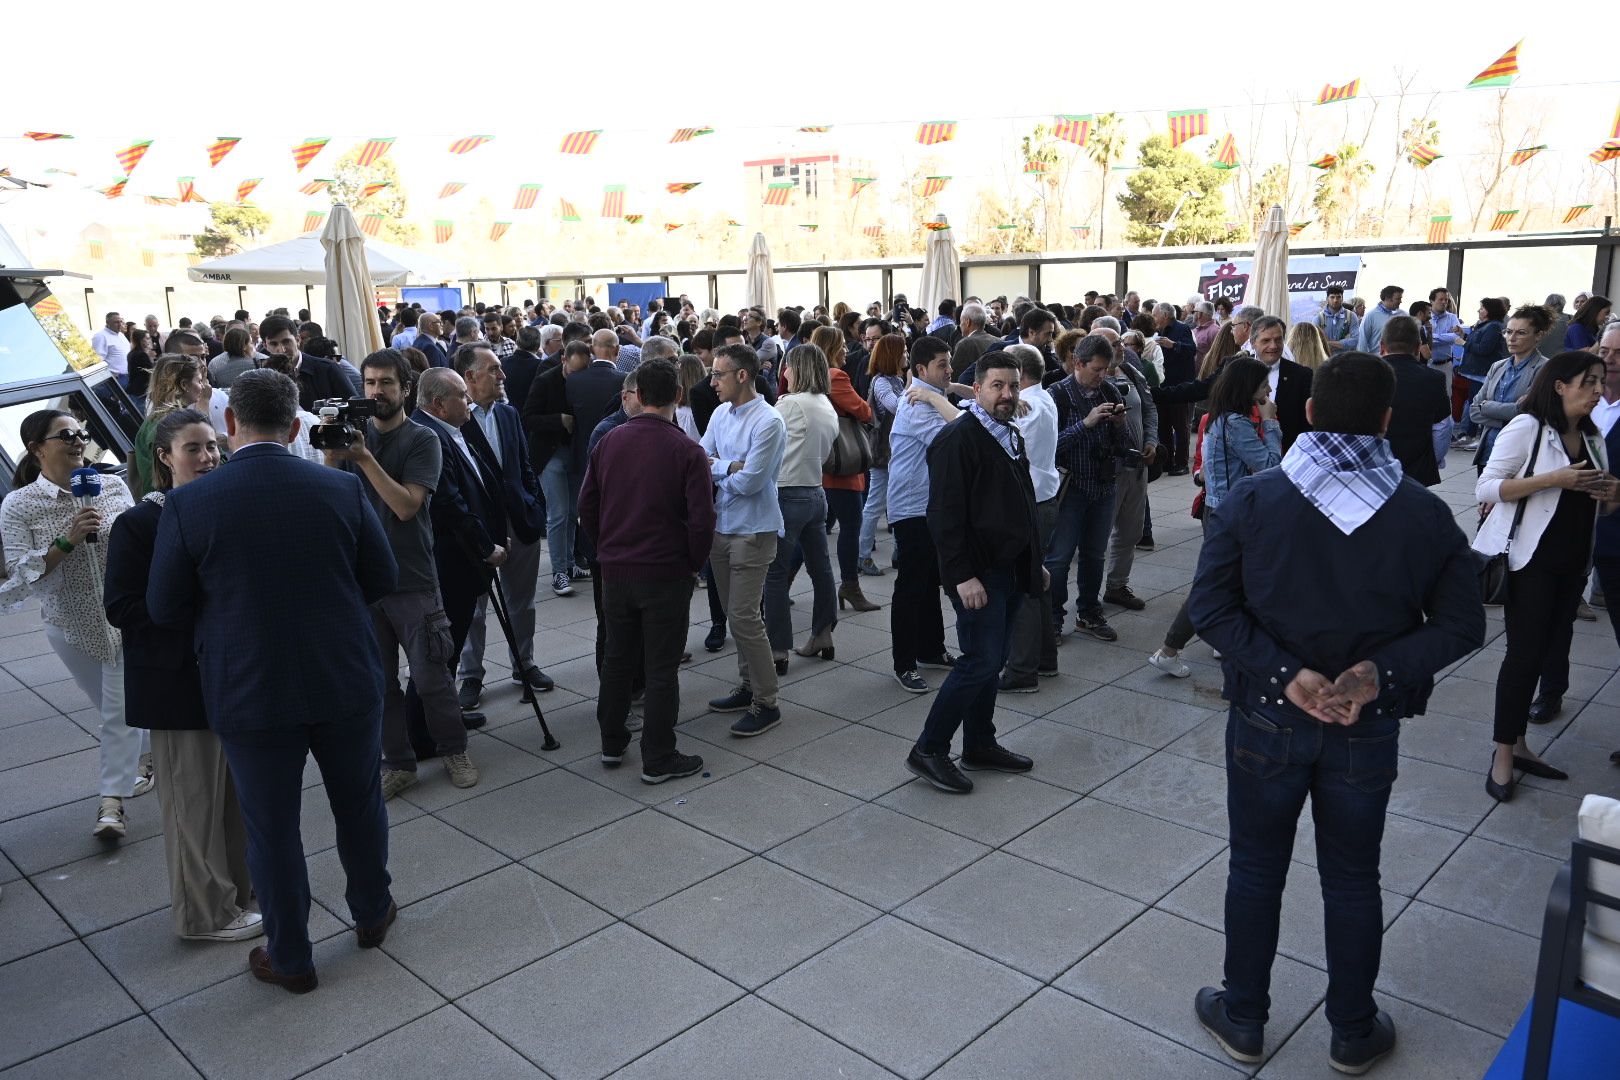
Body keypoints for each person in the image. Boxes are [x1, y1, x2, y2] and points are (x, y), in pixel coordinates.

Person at [1187, 351, 1483, 1075]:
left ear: (1309, 413)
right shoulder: (1423, 511)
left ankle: (1244, 1017)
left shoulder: (1255, 500)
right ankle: (1352, 1028)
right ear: (1387, 421)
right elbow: (1461, 626)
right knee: (1353, 876)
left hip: (1266, 716)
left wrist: (1286, 675)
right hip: (1365, 724)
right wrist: (1375, 673)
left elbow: (1210, 609)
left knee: (1256, 869)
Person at [147, 369, 398, 994]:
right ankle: (372, 912)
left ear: (230, 425)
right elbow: (382, 578)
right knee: (359, 805)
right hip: (341, 676)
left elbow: (163, 607)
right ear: (294, 427)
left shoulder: (188, 503)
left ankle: (291, 956)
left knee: (272, 828)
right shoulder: (340, 487)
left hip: (249, 688)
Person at [104, 409, 259, 941]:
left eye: (212, 447)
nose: (207, 457)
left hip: (231, 675)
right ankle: (204, 916)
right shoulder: (139, 523)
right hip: (176, 684)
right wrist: (191, 605)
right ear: (164, 458)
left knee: (235, 802)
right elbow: (122, 607)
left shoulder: (225, 508)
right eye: (193, 448)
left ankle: (241, 893)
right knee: (193, 808)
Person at [320, 349, 480, 798]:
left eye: (386, 383)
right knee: (379, 682)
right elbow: (331, 499)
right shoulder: (353, 436)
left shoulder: (422, 439)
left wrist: (365, 458)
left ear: (405, 388)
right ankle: (398, 762)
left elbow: (407, 507)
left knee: (431, 677)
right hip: (362, 581)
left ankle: (453, 748)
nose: (376, 392)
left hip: (411, 576)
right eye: (369, 383)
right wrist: (335, 454)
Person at [1475, 351, 1619, 801]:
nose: (1599, 389)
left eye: (1600, 381)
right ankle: (1502, 755)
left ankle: (1520, 746)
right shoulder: (1527, 427)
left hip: (1573, 564)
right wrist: (1552, 478)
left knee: (1545, 654)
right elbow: (1487, 488)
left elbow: (1600, 504)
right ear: (1560, 385)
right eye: (1589, 381)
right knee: (1522, 657)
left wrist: (1613, 493)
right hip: (1529, 563)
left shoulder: (1593, 435)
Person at [2, 410, 144, 838]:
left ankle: (111, 804)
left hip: (126, 615)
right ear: (37, 447)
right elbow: (17, 574)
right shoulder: (19, 505)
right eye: (66, 434)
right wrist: (66, 540)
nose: (79, 440)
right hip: (70, 623)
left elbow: (141, 540)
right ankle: (152, 757)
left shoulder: (112, 484)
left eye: (81, 432)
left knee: (118, 712)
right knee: (115, 708)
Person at [904, 352, 1041, 793]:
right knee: (979, 660)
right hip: (979, 574)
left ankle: (980, 742)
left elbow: (1022, 502)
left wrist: (1033, 561)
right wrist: (963, 576)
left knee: (992, 660)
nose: (1006, 394)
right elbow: (943, 516)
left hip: (1010, 569)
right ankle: (928, 749)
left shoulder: (1007, 433)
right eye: (997, 386)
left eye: (1012, 386)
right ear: (976, 389)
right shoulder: (957, 440)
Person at [579, 358, 715, 782]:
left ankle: (612, 741)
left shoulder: (609, 442)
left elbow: (587, 506)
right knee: (660, 668)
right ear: (677, 396)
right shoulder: (688, 450)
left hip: (617, 571)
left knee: (618, 658)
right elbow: (702, 519)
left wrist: (605, 548)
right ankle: (658, 755)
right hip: (664, 572)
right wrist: (692, 563)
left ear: (637, 396)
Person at [1150, 357, 1281, 678]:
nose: (1268, 389)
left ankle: (1227, 639)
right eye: (1264, 384)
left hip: (1220, 509)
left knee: (1230, 581)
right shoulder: (1236, 424)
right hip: (1231, 514)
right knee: (1212, 584)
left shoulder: (1221, 419)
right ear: (1248, 388)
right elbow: (1270, 465)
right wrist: (1271, 423)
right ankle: (1169, 649)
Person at [453, 345, 552, 707]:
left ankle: (523, 663)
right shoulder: (454, 420)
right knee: (473, 607)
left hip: (518, 521)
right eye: (494, 369)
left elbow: (524, 464)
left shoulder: (508, 414)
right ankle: (471, 677)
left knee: (521, 602)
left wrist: (534, 505)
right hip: (476, 528)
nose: (502, 375)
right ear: (470, 377)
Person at [701, 343, 789, 735]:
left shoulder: (768, 421)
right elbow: (699, 460)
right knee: (736, 616)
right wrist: (727, 466)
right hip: (721, 527)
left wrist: (722, 470)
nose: (711, 381)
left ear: (741, 375)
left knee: (743, 617)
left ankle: (766, 701)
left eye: (718, 374)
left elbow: (752, 483)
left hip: (754, 530)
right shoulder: (720, 412)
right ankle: (748, 684)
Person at [886, 336, 963, 693]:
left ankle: (931, 649)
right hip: (912, 508)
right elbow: (962, 434)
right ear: (920, 370)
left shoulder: (931, 394)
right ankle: (904, 663)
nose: (949, 370)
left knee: (931, 579)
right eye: (942, 365)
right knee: (912, 586)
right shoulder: (918, 403)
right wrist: (936, 395)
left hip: (930, 504)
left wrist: (949, 387)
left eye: (949, 363)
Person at [764, 343, 842, 674]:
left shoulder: (789, 405)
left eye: (789, 367)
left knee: (775, 573)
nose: (784, 373)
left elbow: (763, 441)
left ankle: (778, 648)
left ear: (800, 369)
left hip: (786, 493)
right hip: (815, 492)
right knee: (820, 568)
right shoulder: (827, 404)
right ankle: (822, 634)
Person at [1047, 334, 1129, 642]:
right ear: (1077, 363)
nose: (1102, 375)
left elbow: (1124, 446)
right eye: (1096, 369)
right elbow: (1048, 447)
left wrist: (1121, 426)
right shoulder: (1057, 394)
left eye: (1106, 369)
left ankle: (1089, 614)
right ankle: (1052, 618)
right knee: (1058, 558)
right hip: (1070, 490)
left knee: (1095, 556)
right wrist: (1087, 423)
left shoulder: (1108, 390)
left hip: (1104, 486)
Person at [999, 345, 1062, 693]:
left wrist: (937, 399)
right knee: (1036, 580)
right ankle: (1044, 658)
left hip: (1031, 503)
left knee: (1023, 585)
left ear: (1018, 376)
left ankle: (1022, 670)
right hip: (1043, 499)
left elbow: (979, 425)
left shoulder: (1029, 408)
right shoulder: (1044, 397)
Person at [809, 325, 878, 612]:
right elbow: (864, 411)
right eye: (842, 346)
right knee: (851, 525)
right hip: (842, 460)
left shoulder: (802, 376)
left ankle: (781, 581)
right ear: (831, 349)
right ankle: (850, 585)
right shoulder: (835, 376)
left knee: (808, 530)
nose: (847, 350)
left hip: (816, 460)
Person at [521, 339, 589, 606]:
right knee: (558, 514)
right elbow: (528, 417)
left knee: (573, 512)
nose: (577, 378)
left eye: (582, 371)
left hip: (573, 454)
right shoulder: (546, 380)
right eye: (574, 372)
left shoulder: (584, 379)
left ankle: (570, 563)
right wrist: (558, 420)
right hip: (550, 455)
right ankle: (559, 572)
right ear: (563, 359)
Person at [1100, 336, 1159, 612]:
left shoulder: (1132, 372)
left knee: (1131, 530)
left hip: (1137, 467)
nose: (1120, 348)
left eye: (1120, 343)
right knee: (1097, 538)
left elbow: (1149, 409)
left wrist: (1151, 440)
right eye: (1113, 345)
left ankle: (1117, 585)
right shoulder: (1090, 380)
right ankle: (1084, 599)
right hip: (1107, 472)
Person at [1470, 305, 1552, 471]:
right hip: (1489, 452)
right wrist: (1511, 414)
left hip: (1520, 455)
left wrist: (1487, 407)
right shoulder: (1497, 367)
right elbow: (1474, 410)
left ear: (1539, 335)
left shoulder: (1545, 368)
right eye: (1508, 331)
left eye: (1520, 333)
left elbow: (1530, 412)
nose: (1511, 338)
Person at [1377, 315, 1452, 486]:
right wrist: (1434, 459)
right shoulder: (1434, 378)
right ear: (1418, 347)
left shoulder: (1364, 375)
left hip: (1373, 468)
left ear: (1382, 346)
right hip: (1417, 469)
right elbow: (1443, 427)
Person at [858, 333, 908, 576]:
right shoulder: (881, 382)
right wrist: (912, 387)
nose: (906, 355)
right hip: (883, 453)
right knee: (875, 504)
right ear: (893, 356)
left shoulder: (895, 381)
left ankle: (900, 552)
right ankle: (863, 556)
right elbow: (897, 407)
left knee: (897, 502)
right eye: (903, 351)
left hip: (895, 452)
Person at [132, 356, 212, 498]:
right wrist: (203, 409)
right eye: (199, 381)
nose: (203, 387)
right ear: (184, 385)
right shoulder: (177, 424)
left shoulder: (151, 421)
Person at [1455, 297, 1509, 441]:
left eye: (1482, 308)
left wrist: (1463, 343)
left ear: (1490, 311)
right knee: (1472, 401)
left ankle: (1470, 435)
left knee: (1475, 403)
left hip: (1481, 372)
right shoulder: (1484, 325)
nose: (1479, 310)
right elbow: (1477, 342)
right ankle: (1467, 433)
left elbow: (1484, 349)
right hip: (1476, 372)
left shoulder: (1493, 326)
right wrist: (1464, 335)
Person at [1314, 285, 1361, 356]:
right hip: (1326, 360)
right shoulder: (1319, 318)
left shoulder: (1351, 316)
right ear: (1327, 299)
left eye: (1338, 297)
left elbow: (1355, 341)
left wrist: (1328, 343)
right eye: (1332, 297)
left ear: (1342, 298)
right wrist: (1343, 344)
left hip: (1345, 360)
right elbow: (1315, 342)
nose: (1335, 300)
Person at [1355, 286, 1404, 353]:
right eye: (1398, 299)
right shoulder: (1370, 316)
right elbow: (1362, 342)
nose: (1400, 301)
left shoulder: (1403, 315)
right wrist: (1363, 361)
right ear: (1387, 298)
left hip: (1398, 360)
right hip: (1377, 361)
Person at [91, 311, 132, 386]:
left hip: (128, 376)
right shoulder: (100, 336)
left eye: (121, 321)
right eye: (116, 322)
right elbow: (98, 360)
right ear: (108, 322)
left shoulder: (121, 335)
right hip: (115, 378)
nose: (120, 324)